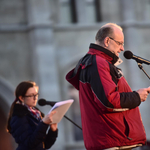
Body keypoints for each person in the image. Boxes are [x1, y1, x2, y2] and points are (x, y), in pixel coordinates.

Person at [66, 23, 150, 150]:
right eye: (120, 43)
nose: (122, 48)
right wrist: (137, 96)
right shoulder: (99, 63)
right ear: (107, 41)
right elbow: (108, 101)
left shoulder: (99, 62)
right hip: (109, 140)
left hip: (112, 139)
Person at [7, 81, 58, 150]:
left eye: (36, 94)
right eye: (31, 95)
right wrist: (43, 124)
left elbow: (45, 145)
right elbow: (30, 144)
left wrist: (53, 131)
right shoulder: (19, 116)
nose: (35, 98)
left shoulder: (36, 113)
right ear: (21, 98)